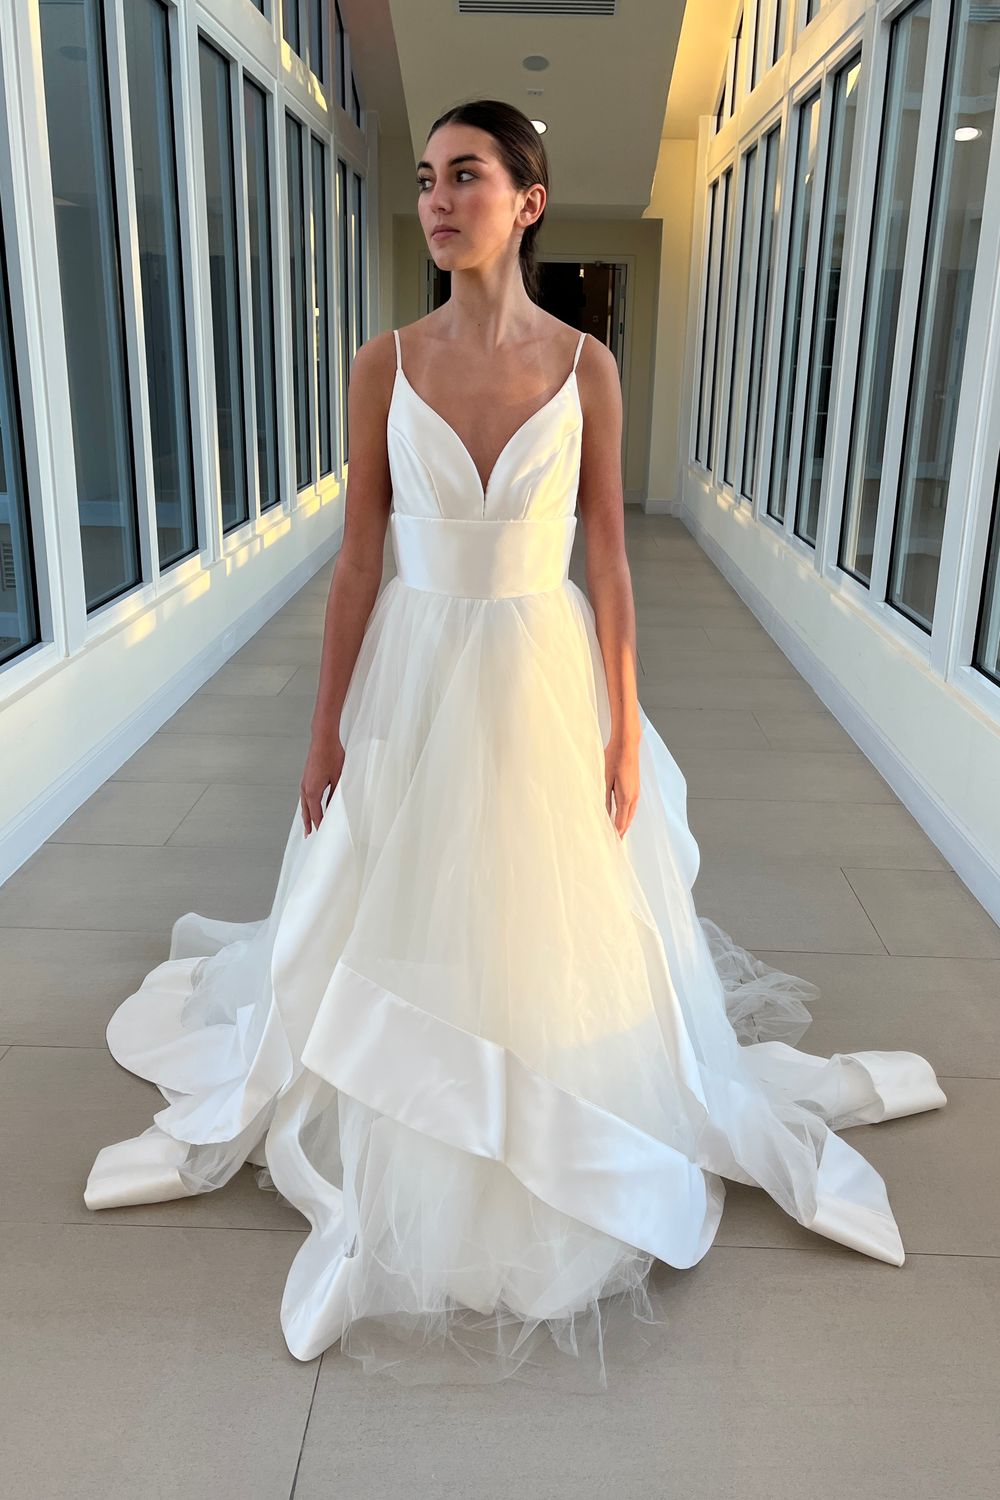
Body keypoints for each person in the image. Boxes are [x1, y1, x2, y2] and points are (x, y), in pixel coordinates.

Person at [84, 98, 947, 1391]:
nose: (438, 199)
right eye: (429, 178)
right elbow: (357, 562)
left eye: (467, 175)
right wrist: (324, 732)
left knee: (539, 900)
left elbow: (611, 562)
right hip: (415, 668)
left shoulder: (586, 367)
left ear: (527, 200)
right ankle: (393, 1098)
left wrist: (625, 726)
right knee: (394, 878)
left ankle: (546, 1095)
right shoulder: (383, 364)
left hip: (543, 667)